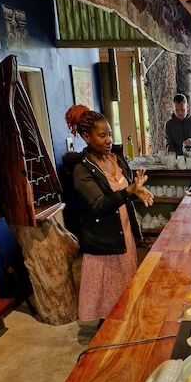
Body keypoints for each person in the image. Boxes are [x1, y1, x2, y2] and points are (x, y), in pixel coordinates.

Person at [64, 104, 154, 324]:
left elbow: (123, 193)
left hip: (124, 236)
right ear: (86, 137)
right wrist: (128, 191)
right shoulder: (82, 169)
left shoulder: (115, 159)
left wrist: (136, 191)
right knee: (106, 300)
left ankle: (123, 326)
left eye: (110, 134)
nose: (108, 140)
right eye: (102, 135)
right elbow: (98, 204)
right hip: (104, 242)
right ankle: (106, 334)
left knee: (124, 293)